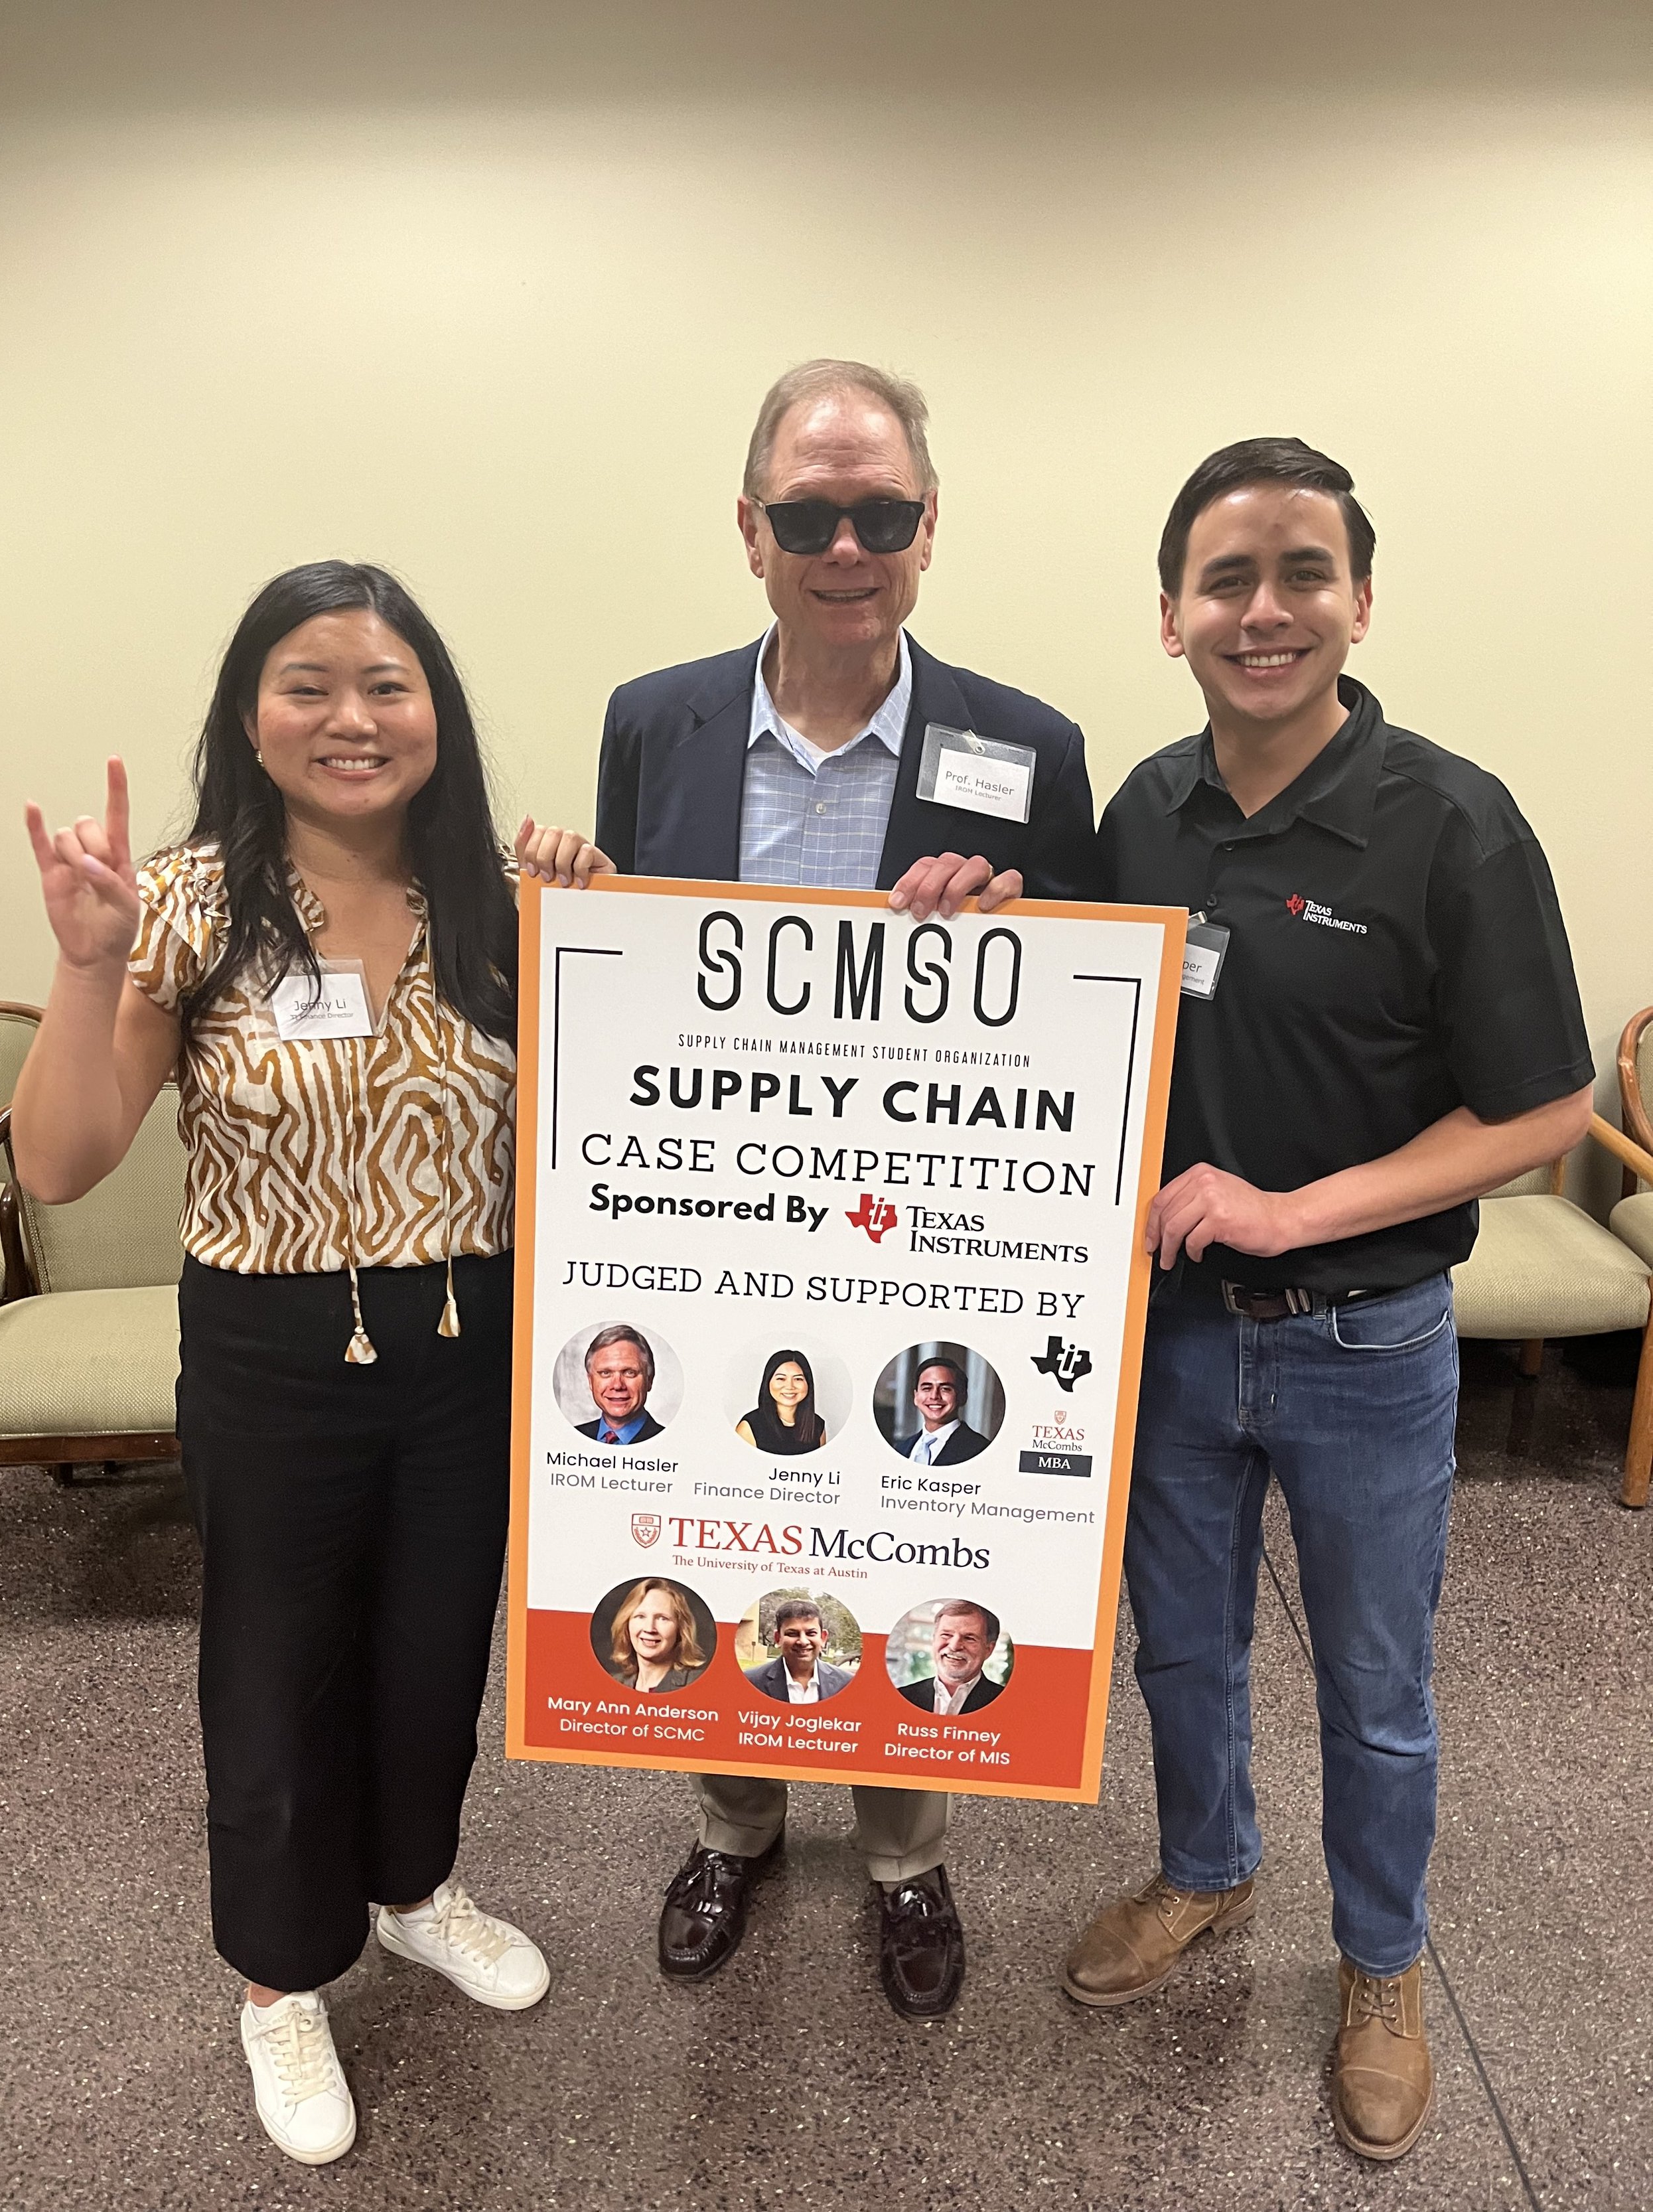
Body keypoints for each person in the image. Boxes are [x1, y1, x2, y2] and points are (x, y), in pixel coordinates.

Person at [936, 439, 1593, 2158]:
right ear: (1170, 616)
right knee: (1181, 1645)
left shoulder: (1450, 820)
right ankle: (1205, 1871)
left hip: (1365, 1338)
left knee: (1374, 1678)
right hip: (1167, 1338)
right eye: (1225, 579)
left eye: (1301, 571)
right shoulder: (1143, 807)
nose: (1264, 608)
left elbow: (1537, 1109)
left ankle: (1379, 1961)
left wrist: (1296, 1204)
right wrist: (970, 917)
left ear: (1357, 602)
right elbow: (1076, 1011)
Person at [532, 360, 1098, 2019]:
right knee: (728, 1511)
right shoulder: (659, 719)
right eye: (806, 513)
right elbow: (639, 968)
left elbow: (1079, 1010)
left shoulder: (1026, 744)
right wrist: (578, 899)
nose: (842, 543)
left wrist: (1012, 924)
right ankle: (733, 1822)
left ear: (930, 528)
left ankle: (908, 1856)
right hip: (714, 1227)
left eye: (878, 512)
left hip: (928, 1229)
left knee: (915, 1518)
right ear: (751, 529)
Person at [13, 562, 581, 2168]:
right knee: (276, 1674)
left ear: (437, 717)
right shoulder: (189, 903)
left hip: (468, 1335)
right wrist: (80, 959)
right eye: (308, 684)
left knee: (429, 1649)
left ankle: (414, 1892)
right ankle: (278, 1976)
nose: (352, 716)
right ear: (251, 722)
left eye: (388, 684)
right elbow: (61, 1162)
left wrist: (604, 903)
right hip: (273, 1346)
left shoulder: (501, 897)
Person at [897, 1602, 1005, 1714]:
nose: (954, 1646)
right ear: (934, 1639)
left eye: (969, 1638)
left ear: (989, 1649)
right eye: (946, 1635)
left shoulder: (1008, 1705)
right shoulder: (900, 1698)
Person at [740, 1599, 853, 1704]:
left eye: (811, 1633)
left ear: (823, 1638)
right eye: (792, 1634)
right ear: (778, 1638)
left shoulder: (847, 1684)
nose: (803, 1642)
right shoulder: (750, 1682)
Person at [606, 1578, 709, 1693]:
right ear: (626, 1624)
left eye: (662, 1618)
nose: (649, 1629)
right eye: (640, 1616)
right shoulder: (612, 1684)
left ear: (681, 1629)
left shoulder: (701, 1684)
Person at [575, 1324, 666, 1444]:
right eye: (605, 1373)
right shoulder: (568, 1439)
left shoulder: (672, 1444)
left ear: (649, 1380)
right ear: (590, 1381)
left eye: (629, 1373)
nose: (617, 1386)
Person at [892, 1355, 989, 1465]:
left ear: (963, 1397)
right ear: (916, 1396)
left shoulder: (982, 1451)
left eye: (945, 1389)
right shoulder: (900, 1449)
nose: (934, 1396)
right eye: (927, 1388)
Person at [735, 1348, 826, 1453]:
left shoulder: (818, 1425)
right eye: (781, 1379)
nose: (790, 1386)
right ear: (768, 1382)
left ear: (808, 1384)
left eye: (798, 1379)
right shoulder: (749, 1427)